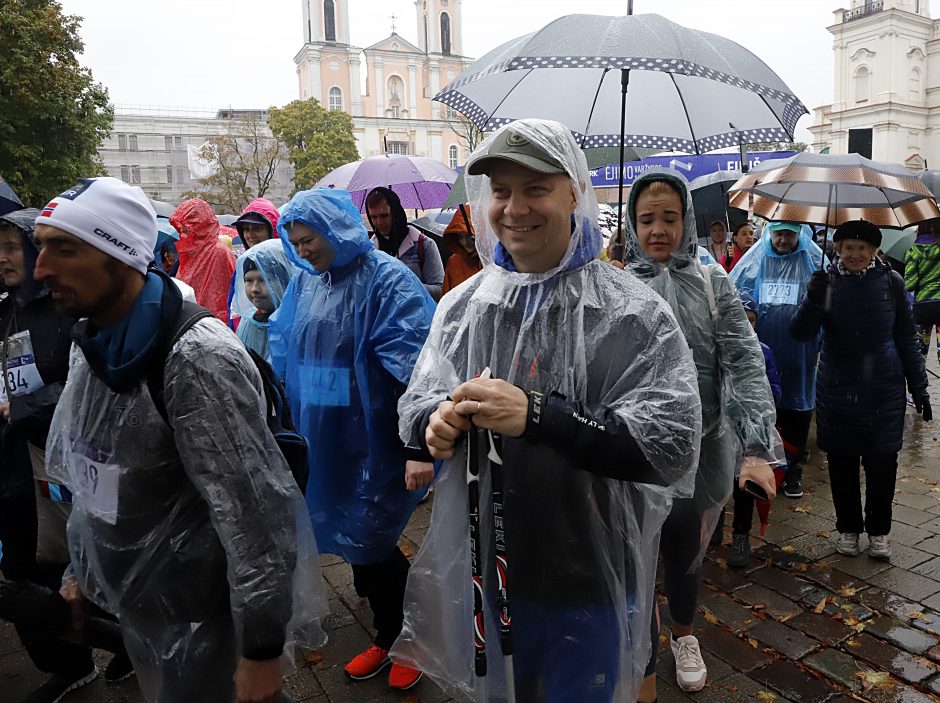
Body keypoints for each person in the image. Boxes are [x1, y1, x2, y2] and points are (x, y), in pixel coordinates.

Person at [390, 119, 703, 703]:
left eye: (535, 188)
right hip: (490, 577)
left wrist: (540, 416)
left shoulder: (633, 312)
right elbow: (416, 404)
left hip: (589, 580)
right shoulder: (465, 307)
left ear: (573, 194)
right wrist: (435, 423)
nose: (514, 208)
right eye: (501, 191)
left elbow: (672, 444)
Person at [33, 176, 327, 703]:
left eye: (65, 248)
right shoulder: (92, 344)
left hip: (206, 615)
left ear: (120, 255)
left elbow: (255, 516)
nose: (42, 268)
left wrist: (259, 651)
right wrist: (81, 569)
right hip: (144, 605)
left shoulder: (196, 359)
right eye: (41, 246)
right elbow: (89, 472)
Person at [268, 188, 435, 692]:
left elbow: (417, 366)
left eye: (309, 239)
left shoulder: (387, 279)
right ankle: (391, 632)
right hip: (325, 434)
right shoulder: (307, 282)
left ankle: (407, 639)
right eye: (294, 242)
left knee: (374, 538)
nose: (302, 250)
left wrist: (417, 444)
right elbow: (283, 344)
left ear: (334, 229)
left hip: (374, 438)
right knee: (352, 537)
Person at [625, 170, 780, 699]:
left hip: (702, 446)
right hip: (633, 451)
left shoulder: (715, 283)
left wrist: (757, 446)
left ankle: (684, 636)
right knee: (634, 553)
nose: (659, 230)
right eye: (647, 219)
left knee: (684, 548)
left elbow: (743, 360)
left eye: (670, 217)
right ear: (632, 224)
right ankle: (640, 646)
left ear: (687, 219)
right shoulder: (616, 285)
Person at [0, 208, 106, 702]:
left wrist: (20, 405)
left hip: (57, 460)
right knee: (21, 567)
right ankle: (66, 663)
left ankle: (114, 640)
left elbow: (82, 384)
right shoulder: (5, 310)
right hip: (11, 463)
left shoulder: (67, 310)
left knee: (69, 562)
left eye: (10, 247)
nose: (3, 259)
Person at [791, 220, 930, 560]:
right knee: (842, 463)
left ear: (874, 251)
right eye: (848, 247)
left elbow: (906, 336)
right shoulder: (826, 281)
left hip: (884, 387)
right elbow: (801, 333)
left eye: (862, 248)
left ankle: (879, 531)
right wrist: (813, 298)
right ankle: (849, 529)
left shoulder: (891, 282)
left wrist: (920, 387)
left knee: (883, 463)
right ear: (837, 249)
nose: (855, 254)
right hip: (838, 385)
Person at [731, 221, 827, 499]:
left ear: (799, 234)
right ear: (770, 234)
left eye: (790, 234)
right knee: (765, 408)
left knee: (797, 411)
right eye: (779, 234)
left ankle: (791, 472)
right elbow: (735, 296)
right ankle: (764, 468)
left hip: (801, 352)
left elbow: (827, 305)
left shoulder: (813, 259)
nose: (784, 240)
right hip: (760, 352)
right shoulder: (755, 259)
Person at [728, 292, 783, 568]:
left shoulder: (763, 351)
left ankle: (740, 535)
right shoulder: (719, 348)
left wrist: (760, 398)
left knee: (744, 489)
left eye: (751, 321)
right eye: (740, 320)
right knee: (717, 483)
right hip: (722, 431)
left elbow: (774, 390)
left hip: (748, 432)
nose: (746, 327)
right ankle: (711, 526)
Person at [365, 187, 445, 300]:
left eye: (384, 216)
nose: (379, 222)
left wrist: (405, 284)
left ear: (395, 213)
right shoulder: (370, 251)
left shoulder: (424, 245)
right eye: (373, 217)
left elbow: (440, 291)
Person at [170, 198, 236, 323]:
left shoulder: (220, 253)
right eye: (181, 226)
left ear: (200, 224)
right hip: (189, 322)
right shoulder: (189, 253)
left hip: (215, 324)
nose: (182, 231)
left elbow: (230, 294)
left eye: (187, 225)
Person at [233, 239, 297, 358]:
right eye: (249, 281)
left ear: (285, 281)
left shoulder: (296, 324)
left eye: (264, 280)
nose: (254, 289)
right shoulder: (249, 321)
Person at [905, 218, 940, 365]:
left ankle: (920, 384)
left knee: (919, 353)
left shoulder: (913, 251)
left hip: (923, 305)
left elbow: (910, 284)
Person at [441, 206, 482, 295]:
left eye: (468, 236)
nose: (464, 242)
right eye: (460, 237)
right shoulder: (454, 263)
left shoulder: (494, 259)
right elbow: (446, 298)